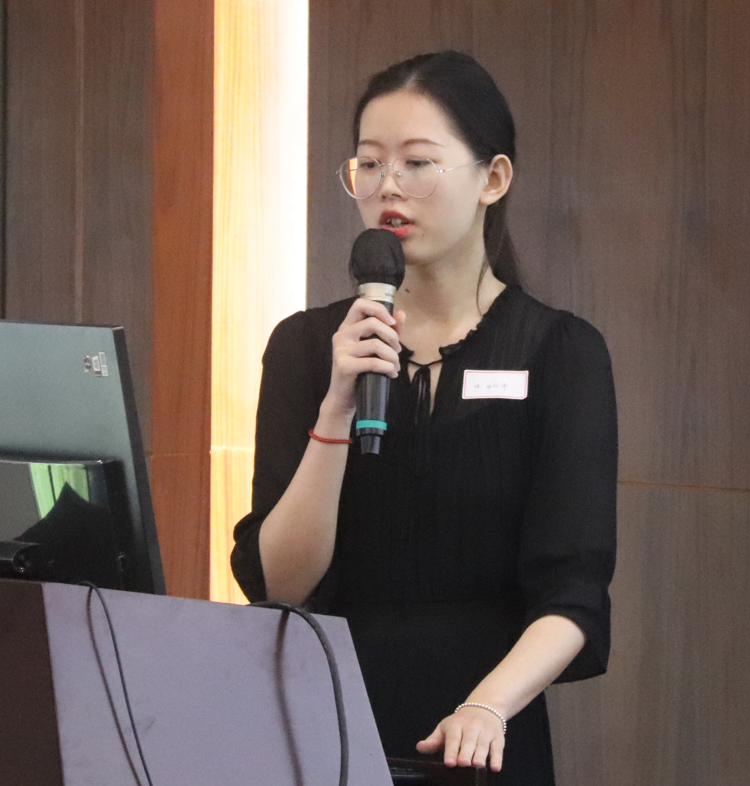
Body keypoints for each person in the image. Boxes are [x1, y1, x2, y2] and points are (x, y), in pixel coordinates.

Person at [231, 51, 617, 786]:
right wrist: (338, 408)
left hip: (484, 732)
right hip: (325, 721)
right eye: (370, 164)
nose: (388, 187)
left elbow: (574, 591)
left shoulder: (560, 353)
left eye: (417, 163)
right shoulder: (307, 347)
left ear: (492, 179)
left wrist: (488, 706)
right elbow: (280, 583)